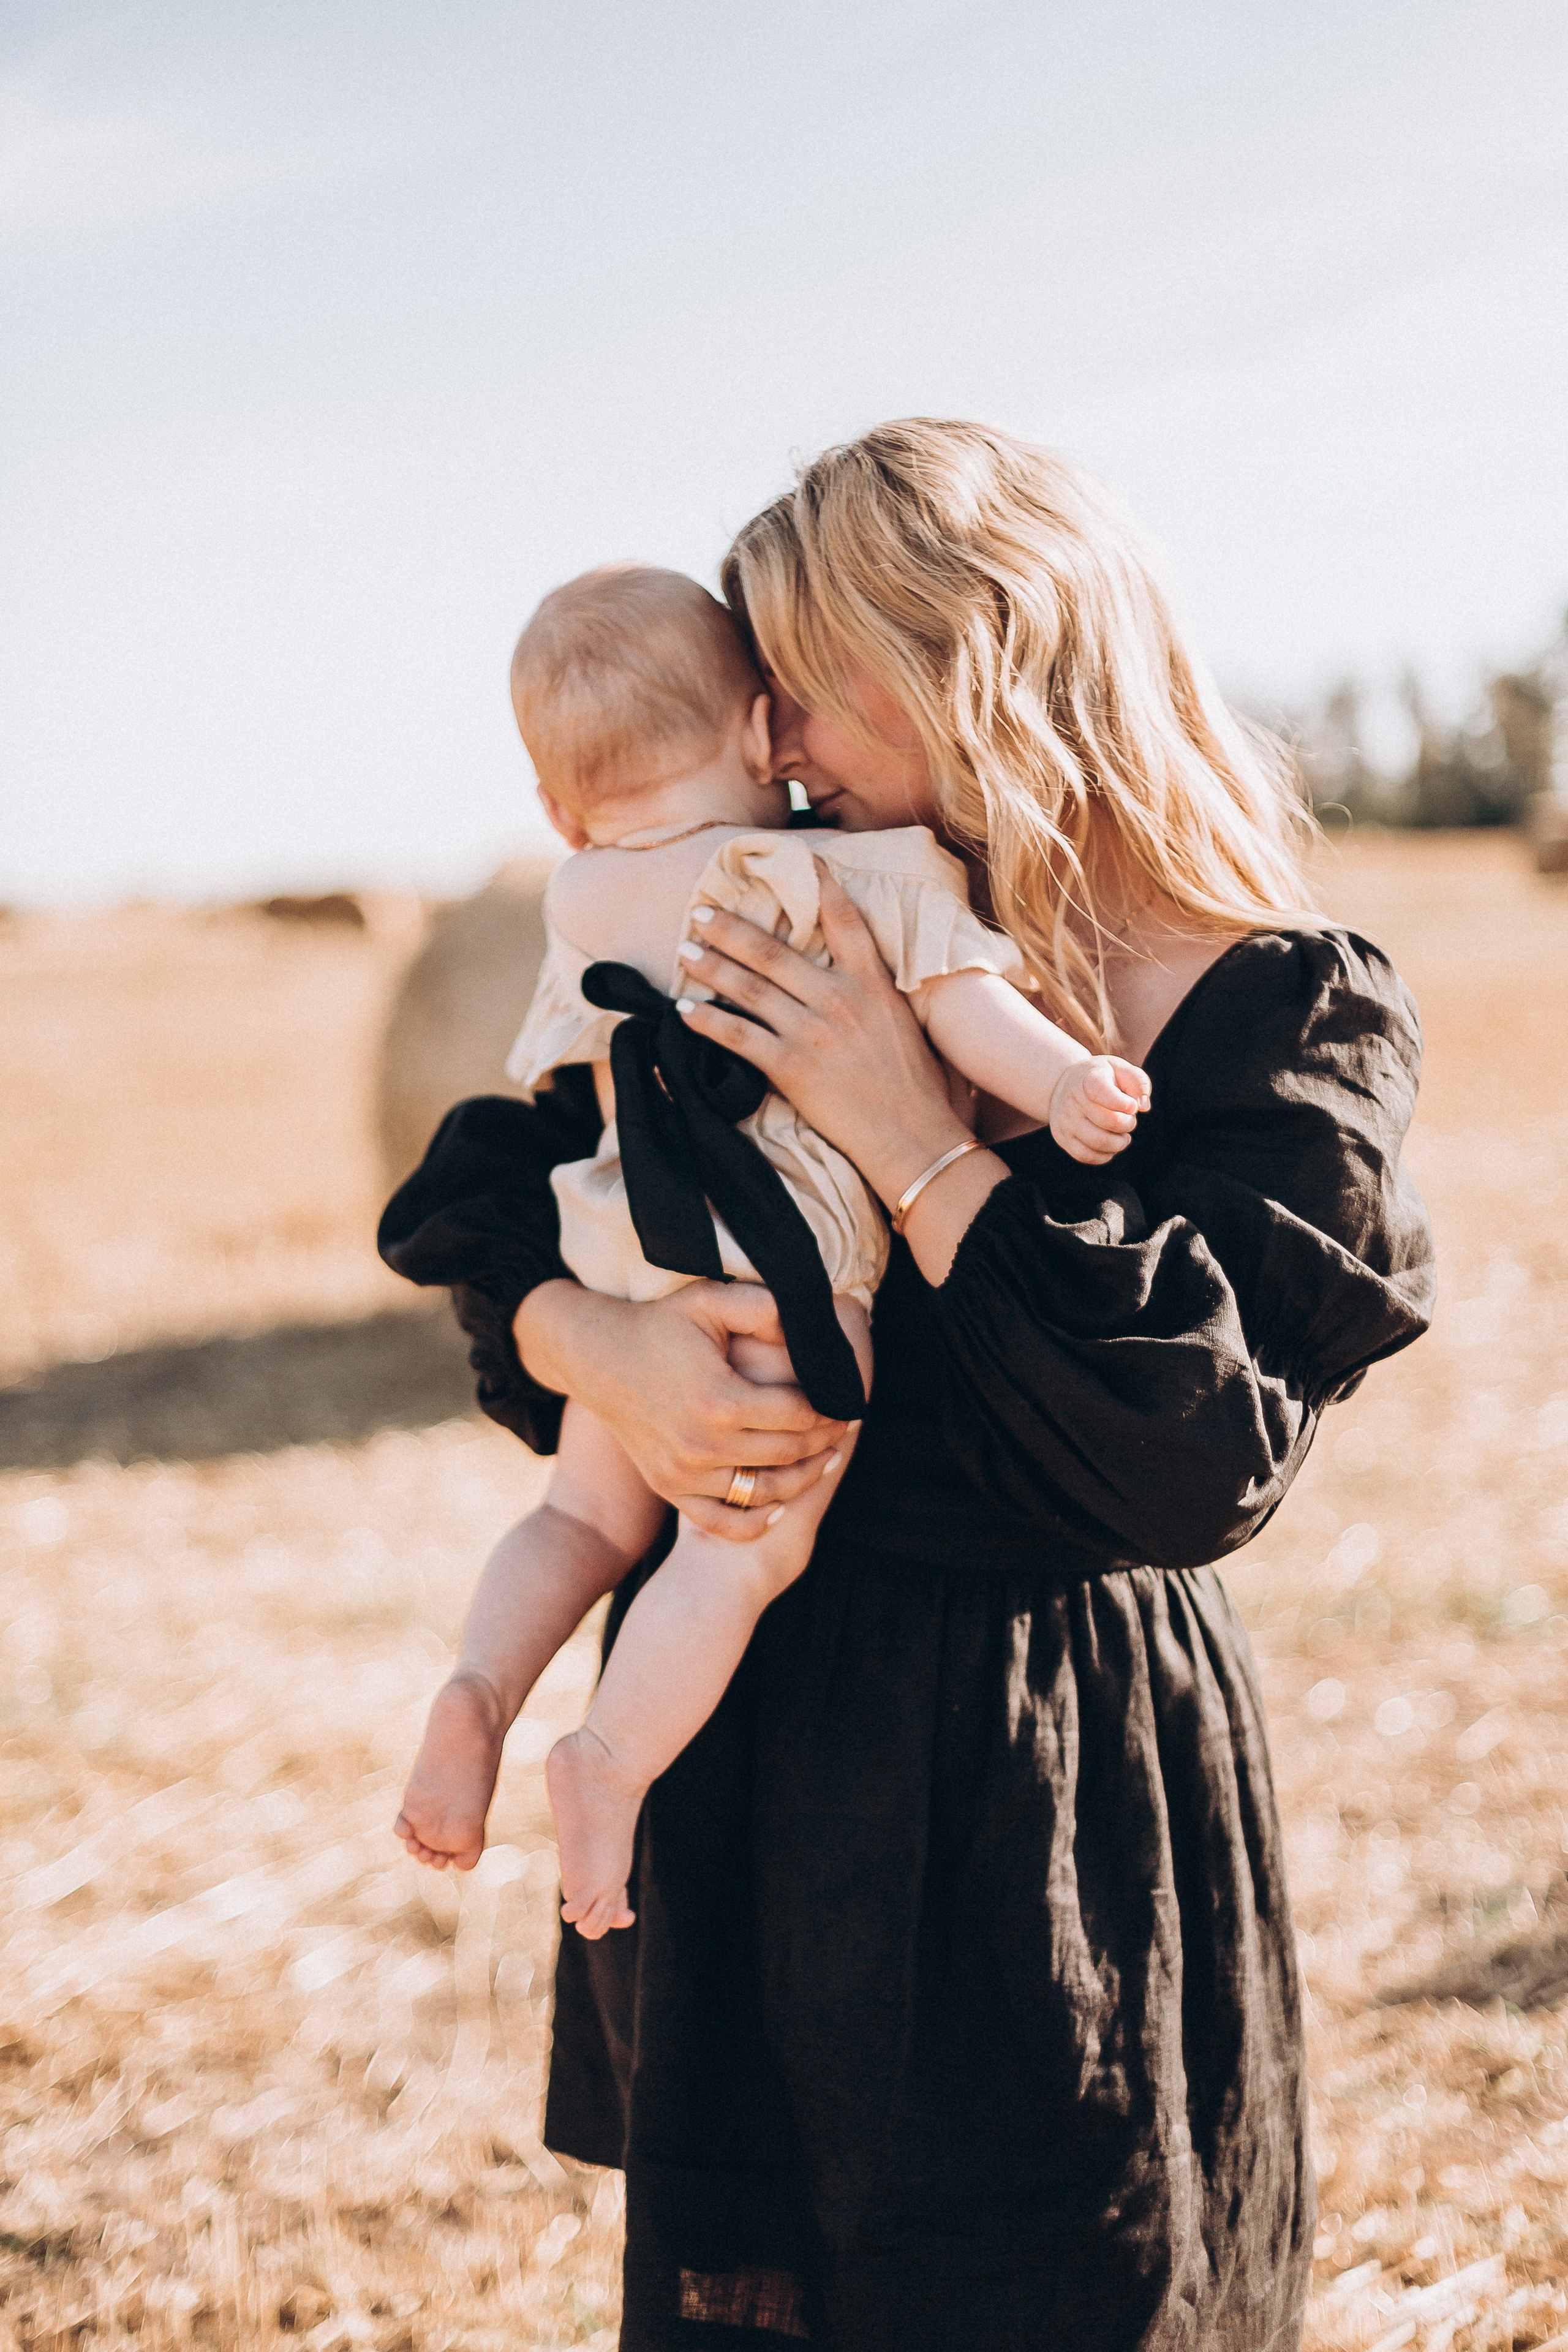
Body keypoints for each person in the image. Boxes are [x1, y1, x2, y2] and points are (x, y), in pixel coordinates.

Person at [379, 419, 1436, 2351]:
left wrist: (912, 1127)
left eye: (804, 684)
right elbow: (490, 1203)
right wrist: (597, 1347)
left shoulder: (1278, 1013)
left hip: (1039, 1801)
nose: (770, 743)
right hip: (745, 1749)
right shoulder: (787, 896)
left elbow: (1195, 1455)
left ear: (974, 652)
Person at [394, 562, 1151, 1938]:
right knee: (737, 1555)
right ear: (758, 736)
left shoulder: (577, 903)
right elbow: (963, 1004)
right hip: (774, 1281)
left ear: (558, 805)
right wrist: (1059, 1089)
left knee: (576, 1519)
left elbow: (555, 1077)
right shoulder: (848, 874)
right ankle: (608, 1761)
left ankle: (480, 1690)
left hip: (619, 1261)